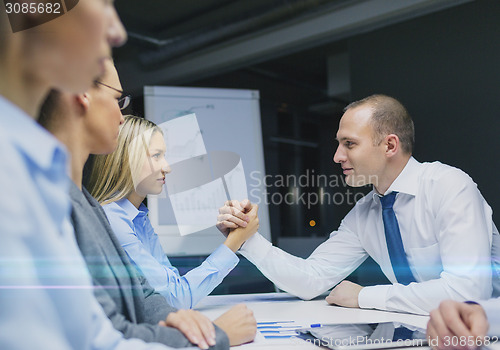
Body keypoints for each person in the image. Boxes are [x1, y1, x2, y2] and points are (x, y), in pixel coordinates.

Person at [0, 2, 191, 350]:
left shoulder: (56, 183)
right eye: (100, 7)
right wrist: (208, 338)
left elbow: (103, 323)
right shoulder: (22, 180)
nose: (116, 31)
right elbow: (102, 336)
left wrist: (170, 318)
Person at [38, 59, 258, 350]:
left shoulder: (103, 210)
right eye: (156, 156)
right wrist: (214, 334)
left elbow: (150, 297)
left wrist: (181, 321)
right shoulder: (77, 211)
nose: (121, 116)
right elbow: (114, 330)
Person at [217, 94, 498, 315]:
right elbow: (310, 279)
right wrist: (245, 239)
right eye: (339, 144)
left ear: (389, 146)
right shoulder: (366, 212)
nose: (337, 156)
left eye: (349, 144)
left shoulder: (450, 187)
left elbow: (468, 293)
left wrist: (364, 296)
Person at [86, 116, 260, 309]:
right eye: (156, 156)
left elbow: (172, 285)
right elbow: (176, 298)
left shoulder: (137, 216)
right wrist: (234, 241)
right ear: (128, 159)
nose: (167, 167)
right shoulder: (112, 220)